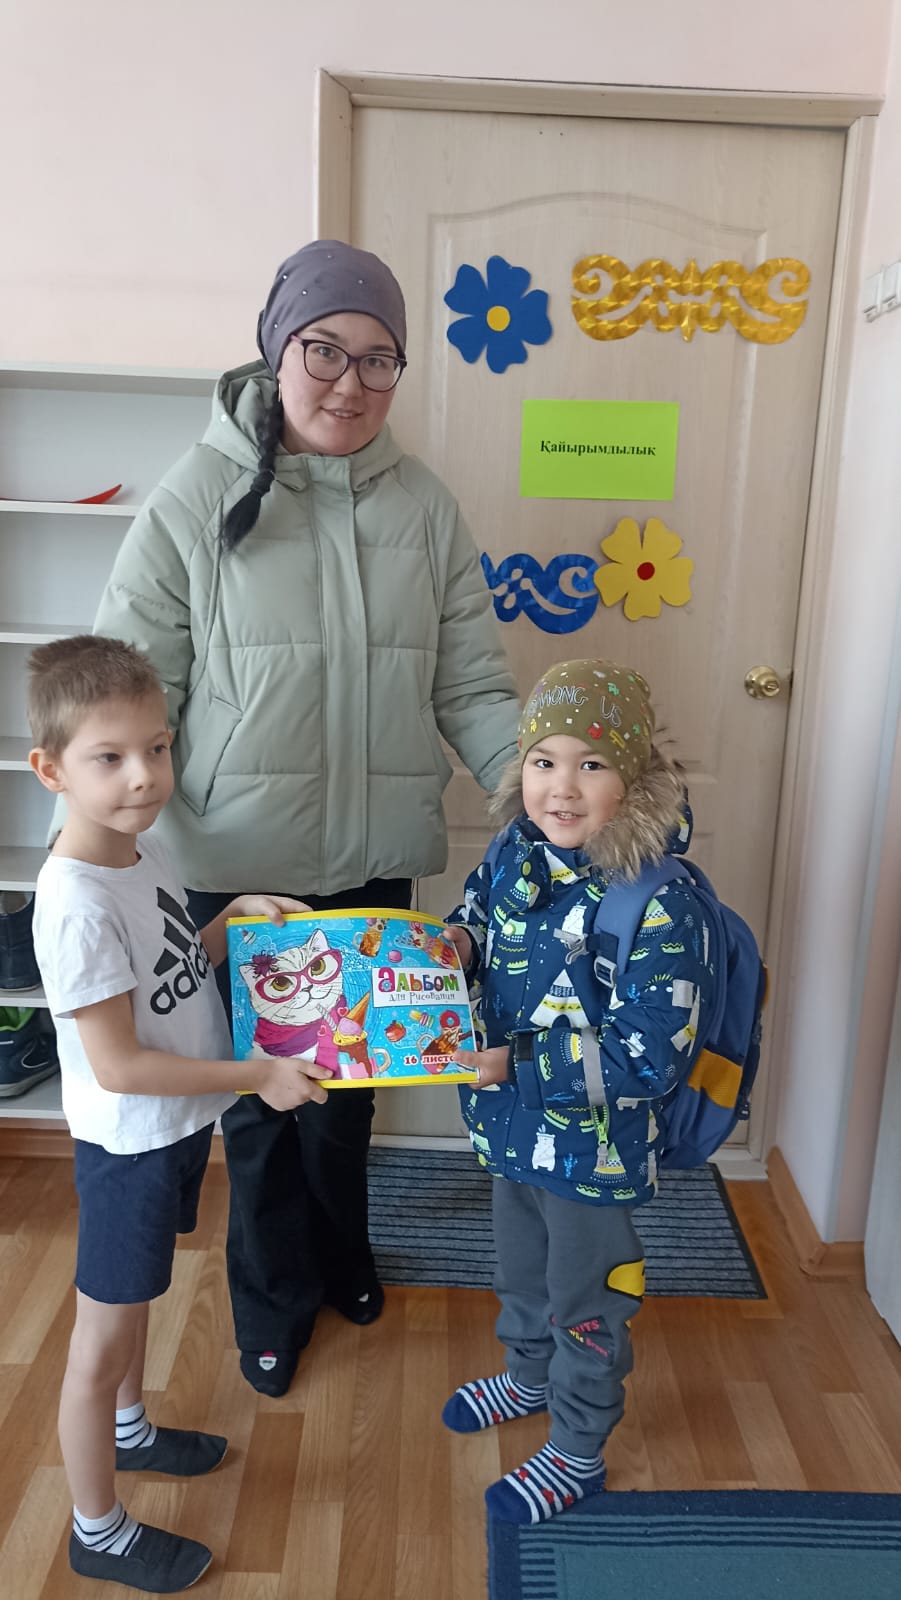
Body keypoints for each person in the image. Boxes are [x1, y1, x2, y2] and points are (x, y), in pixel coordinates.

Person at [89, 238, 520, 1397]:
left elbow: (473, 685)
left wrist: (539, 796)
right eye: (325, 349)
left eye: (379, 359)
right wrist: (110, 838)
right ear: (277, 350)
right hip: (240, 869)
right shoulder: (196, 495)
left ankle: (342, 1255)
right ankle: (271, 1300)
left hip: (374, 857)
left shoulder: (424, 507)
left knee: (349, 1089)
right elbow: (131, 686)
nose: (349, 380)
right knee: (262, 1104)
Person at [28, 635, 329, 1594]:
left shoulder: (140, 851)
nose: (143, 776)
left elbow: (169, 967)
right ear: (51, 771)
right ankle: (96, 1529)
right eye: (109, 757)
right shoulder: (76, 902)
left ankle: (130, 1429)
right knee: (100, 1340)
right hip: (131, 1146)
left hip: (173, 1130)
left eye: (157, 748)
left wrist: (227, 921)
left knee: (140, 1300)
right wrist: (256, 1074)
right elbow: (118, 1065)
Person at [440, 658, 715, 1524]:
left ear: (631, 779)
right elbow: (477, 921)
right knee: (520, 1271)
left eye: (590, 764)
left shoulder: (659, 903)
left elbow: (648, 1057)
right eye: (543, 761)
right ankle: (527, 1377)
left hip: (594, 1155)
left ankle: (577, 1447)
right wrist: (455, 945)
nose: (560, 787)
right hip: (508, 1128)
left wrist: (514, 1066)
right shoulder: (513, 851)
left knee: (587, 1303)